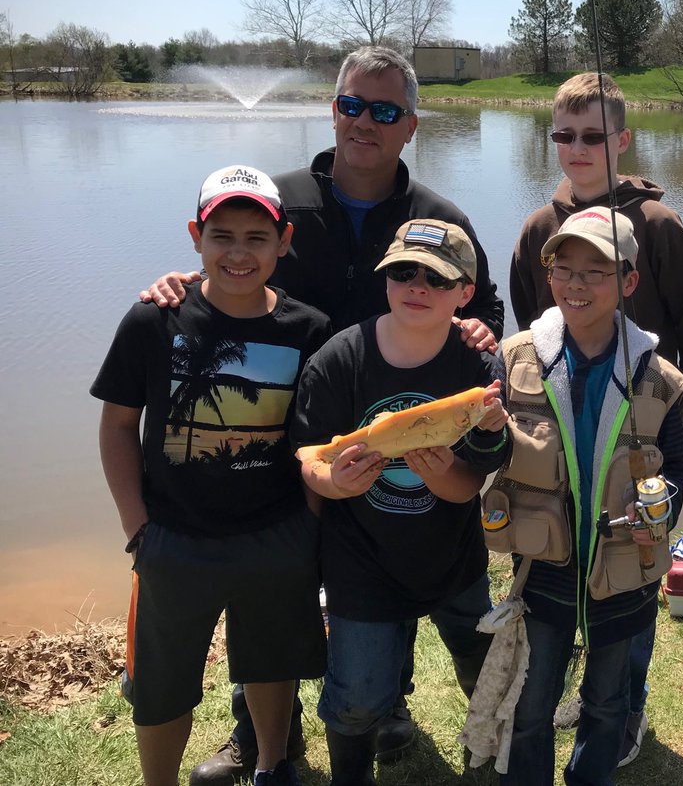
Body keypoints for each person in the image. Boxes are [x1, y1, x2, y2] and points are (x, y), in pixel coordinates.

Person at [141, 46, 506, 785]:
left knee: (383, 568)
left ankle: (388, 709)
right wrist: (180, 286)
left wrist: (479, 332)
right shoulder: (281, 201)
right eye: (350, 105)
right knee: (272, 587)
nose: (363, 123)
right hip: (275, 438)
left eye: (384, 110)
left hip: (394, 437)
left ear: (410, 125)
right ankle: (260, 735)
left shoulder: (439, 218)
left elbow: (487, 311)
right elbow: (232, 271)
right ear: (332, 108)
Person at [92, 166, 331, 786]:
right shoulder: (153, 321)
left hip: (275, 534)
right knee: (162, 683)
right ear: (197, 236)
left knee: (271, 663)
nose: (238, 252)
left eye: (257, 237)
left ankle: (273, 766)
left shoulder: (309, 330)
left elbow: (317, 441)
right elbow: (119, 425)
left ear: (284, 241)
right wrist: (136, 526)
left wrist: (308, 524)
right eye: (221, 235)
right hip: (174, 539)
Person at [508, 71, 683, 766]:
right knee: (561, 578)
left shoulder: (659, 226)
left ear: (622, 140)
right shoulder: (539, 226)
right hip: (563, 442)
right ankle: (572, 689)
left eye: (594, 136)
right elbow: (526, 332)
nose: (578, 148)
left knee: (630, 585)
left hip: (641, 441)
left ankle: (625, 706)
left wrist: (668, 435)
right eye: (564, 135)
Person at [292, 219, 509, 786]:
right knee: (358, 695)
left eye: (436, 280)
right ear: (385, 280)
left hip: (454, 557)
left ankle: (491, 750)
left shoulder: (480, 367)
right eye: (403, 273)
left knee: (481, 660)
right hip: (361, 561)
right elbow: (308, 458)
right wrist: (334, 482)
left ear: (466, 294)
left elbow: (473, 481)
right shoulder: (339, 358)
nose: (417, 287)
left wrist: (445, 476)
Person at [492, 207, 683, 786]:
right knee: (531, 708)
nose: (576, 284)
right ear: (548, 274)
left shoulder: (658, 373)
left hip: (624, 571)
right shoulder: (513, 359)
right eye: (564, 268)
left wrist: (660, 502)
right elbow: (485, 452)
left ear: (628, 283)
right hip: (544, 571)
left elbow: (673, 467)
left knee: (607, 703)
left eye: (596, 271)